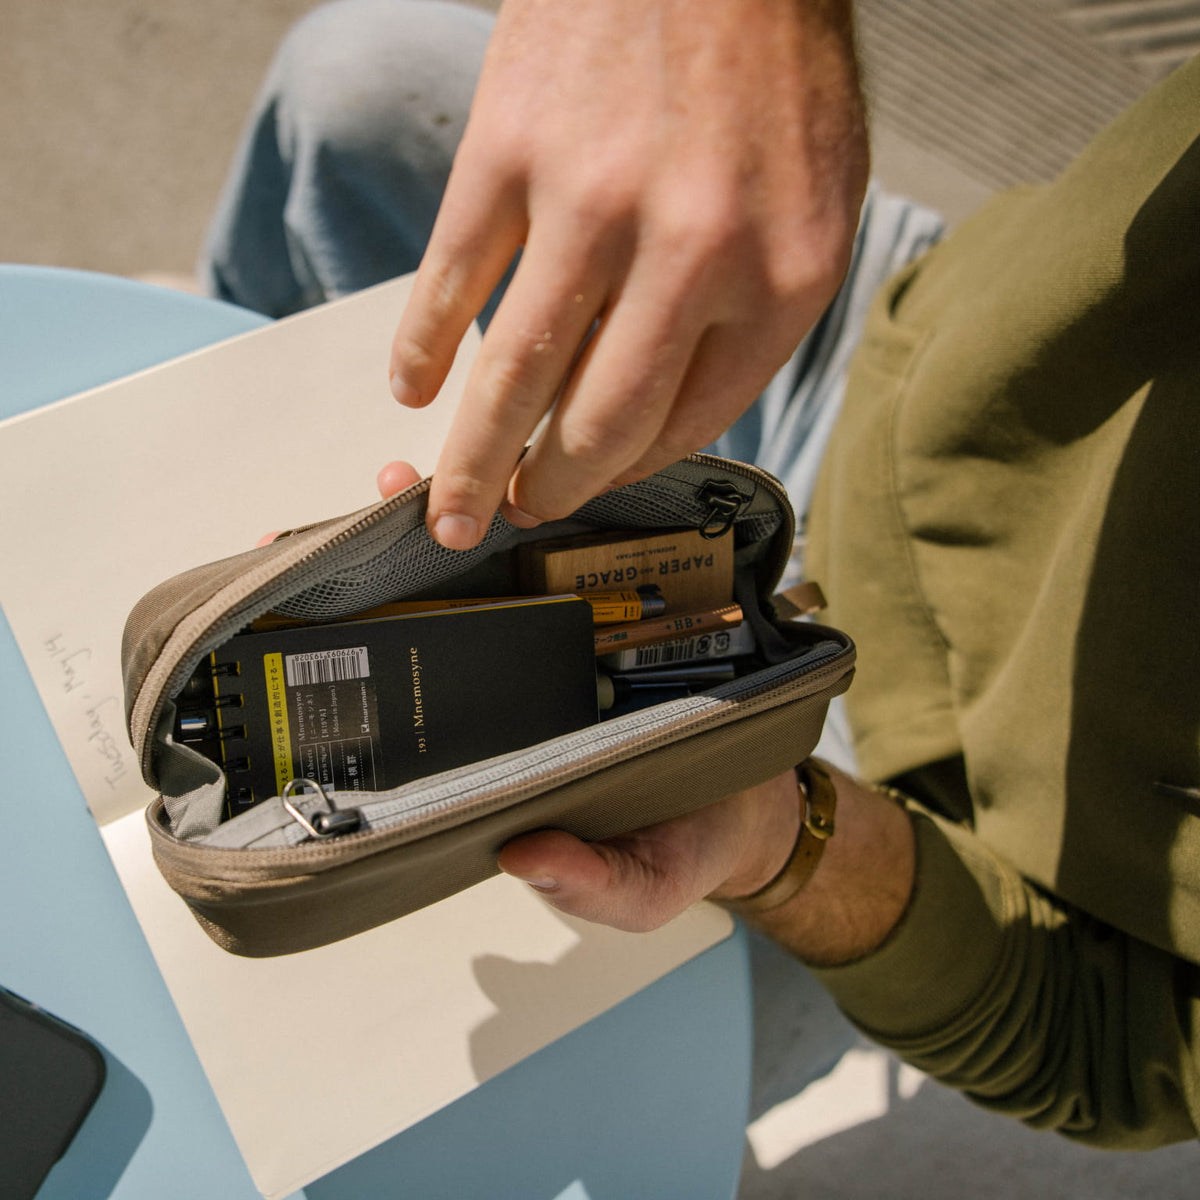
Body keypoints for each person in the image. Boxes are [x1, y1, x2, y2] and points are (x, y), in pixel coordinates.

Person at [204, 0, 1200, 1147]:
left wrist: (779, 841)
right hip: (901, 354)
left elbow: (1103, 1043)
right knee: (359, 79)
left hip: (909, 837)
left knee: (519, 1127)